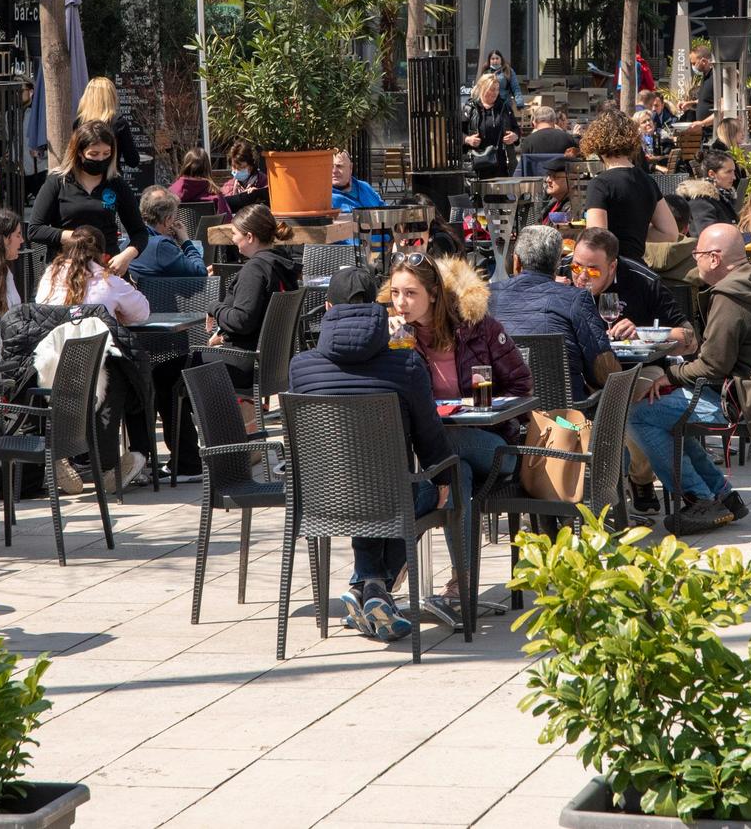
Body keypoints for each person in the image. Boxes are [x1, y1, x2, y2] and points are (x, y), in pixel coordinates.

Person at [288, 265, 458, 643]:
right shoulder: (405, 364)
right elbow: (429, 436)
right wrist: (444, 475)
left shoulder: (300, 367)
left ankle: (368, 586)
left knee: (362, 488)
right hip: (388, 496)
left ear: (328, 307)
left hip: (321, 497)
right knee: (416, 490)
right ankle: (375, 588)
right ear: (380, 309)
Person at [625, 227, 751, 534]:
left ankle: (701, 498)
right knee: (667, 415)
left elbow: (712, 364)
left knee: (639, 414)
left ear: (714, 258)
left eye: (696, 254)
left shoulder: (729, 295)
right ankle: (722, 494)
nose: (693, 260)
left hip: (742, 401)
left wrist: (670, 375)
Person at [388, 252, 530, 507]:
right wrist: (390, 348)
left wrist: (486, 409)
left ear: (432, 294)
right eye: (395, 293)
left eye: (410, 293)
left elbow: (521, 384)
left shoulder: (478, 328)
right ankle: (427, 544)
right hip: (443, 450)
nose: (400, 303)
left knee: (442, 441)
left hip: (493, 444)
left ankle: (398, 538)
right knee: (458, 473)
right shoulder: (398, 338)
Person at [488, 225, 617, 402]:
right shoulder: (577, 299)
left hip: (502, 416)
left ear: (516, 262)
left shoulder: (484, 298)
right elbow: (603, 372)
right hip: (563, 418)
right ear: (557, 264)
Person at [26, 120, 147, 269]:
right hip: (66, 266)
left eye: (106, 154)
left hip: (106, 266)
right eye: (94, 154)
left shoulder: (116, 183)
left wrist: (126, 255)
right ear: (79, 152)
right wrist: (78, 238)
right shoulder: (58, 182)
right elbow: (35, 229)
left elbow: (140, 232)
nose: (101, 159)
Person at [567, 227, 695, 354]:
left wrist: (642, 334)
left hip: (635, 366)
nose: (582, 277)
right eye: (576, 267)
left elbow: (691, 341)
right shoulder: (561, 272)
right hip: (578, 365)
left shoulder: (644, 282)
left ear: (612, 267)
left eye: (592, 270)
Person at [581, 110, 677, 262]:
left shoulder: (600, 183)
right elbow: (670, 233)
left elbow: (596, 240)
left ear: (596, 144)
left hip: (612, 272)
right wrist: (634, 233)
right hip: (639, 268)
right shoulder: (648, 181)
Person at [206, 205, 302, 350]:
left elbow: (242, 321)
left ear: (249, 237)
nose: (232, 239)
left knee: (171, 367)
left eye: (234, 233)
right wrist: (222, 335)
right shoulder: (281, 264)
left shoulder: (255, 270)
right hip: (273, 356)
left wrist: (214, 307)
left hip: (246, 357)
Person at [36, 226, 151, 324]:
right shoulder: (110, 283)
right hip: (100, 348)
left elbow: (40, 305)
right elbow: (142, 313)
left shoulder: (50, 275)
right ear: (102, 255)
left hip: (52, 347)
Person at [131, 187, 209, 281]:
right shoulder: (161, 245)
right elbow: (201, 273)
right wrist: (185, 241)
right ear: (167, 220)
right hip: (160, 295)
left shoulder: (131, 239)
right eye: (174, 218)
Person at [73, 75, 141, 171]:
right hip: (111, 178)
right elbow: (133, 160)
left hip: (84, 178)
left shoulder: (79, 123)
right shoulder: (119, 123)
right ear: (112, 97)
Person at [460, 73, 520, 178]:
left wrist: (515, 136)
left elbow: (516, 129)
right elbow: (457, 133)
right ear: (482, 88)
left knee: (501, 193)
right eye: (491, 89)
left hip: (501, 163)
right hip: (477, 162)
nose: (495, 93)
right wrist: (467, 139)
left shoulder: (504, 107)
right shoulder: (470, 108)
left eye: (497, 89)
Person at [677, 147, 739, 235]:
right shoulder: (700, 202)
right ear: (712, 174)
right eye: (728, 172)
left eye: (734, 171)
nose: (734, 177)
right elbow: (708, 235)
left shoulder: (722, 197)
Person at [169, 148, 231, 215]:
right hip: (209, 225)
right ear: (207, 168)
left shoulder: (171, 193)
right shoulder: (215, 194)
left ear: (186, 166)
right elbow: (226, 219)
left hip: (178, 225)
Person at [217, 140, 268, 211]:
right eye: (234, 167)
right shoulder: (228, 186)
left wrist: (258, 194)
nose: (237, 171)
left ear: (251, 166)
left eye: (242, 168)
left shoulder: (263, 181)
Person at [330, 148, 386, 213]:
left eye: (339, 166)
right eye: (330, 166)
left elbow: (383, 208)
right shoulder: (325, 198)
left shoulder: (364, 187)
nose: (334, 171)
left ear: (350, 167)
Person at [678, 44, 717, 135]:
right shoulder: (705, 76)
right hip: (705, 132)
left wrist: (703, 123)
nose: (692, 66)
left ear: (703, 61)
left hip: (714, 132)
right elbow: (707, 101)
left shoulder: (716, 77)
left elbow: (723, 108)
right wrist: (691, 104)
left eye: (694, 63)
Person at [541, 158, 575, 224]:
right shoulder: (553, 200)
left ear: (572, 179)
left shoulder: (573, 208)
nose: (548, 180)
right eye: (548, 175)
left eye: (555, 176)